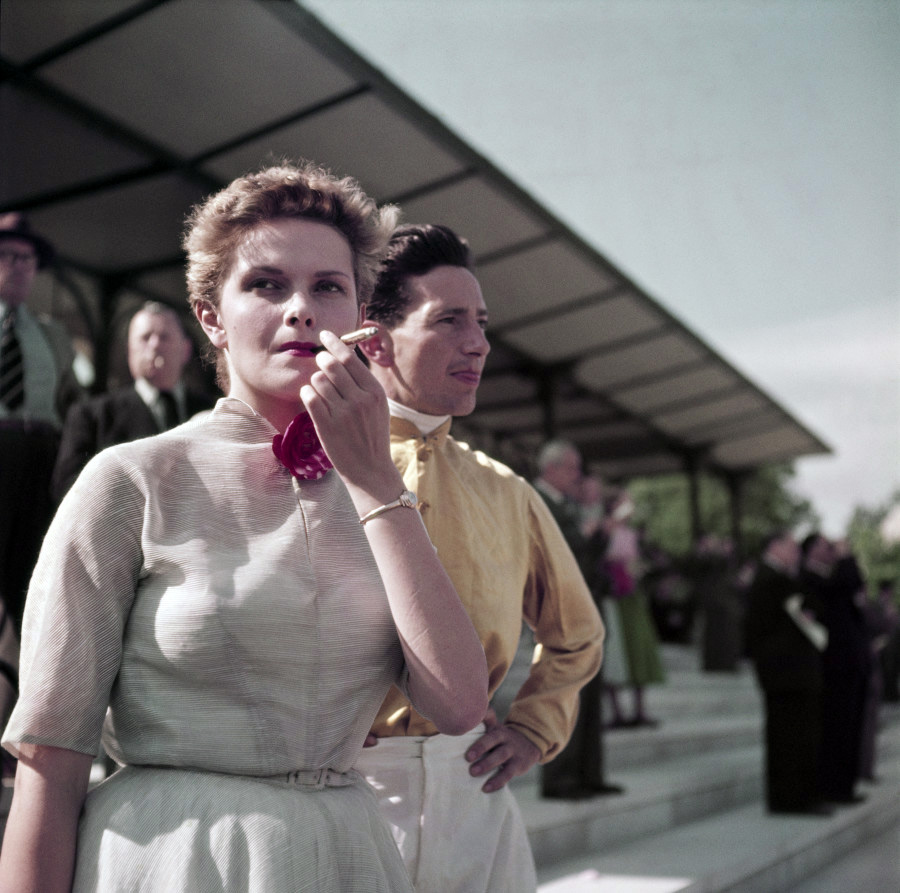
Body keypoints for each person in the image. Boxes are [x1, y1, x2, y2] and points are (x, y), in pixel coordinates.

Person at [0, 163, 489, 893]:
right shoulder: (132, 478)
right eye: (266, 284)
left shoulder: (382, 494)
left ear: (360, 316)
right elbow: (50, 763)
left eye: (328, 287)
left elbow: (458, 703)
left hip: (348, 859)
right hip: (174, 860)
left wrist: (377, 483)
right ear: (210, 316)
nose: (301, 310)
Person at [354, 223, 604, 891]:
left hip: (474, 799)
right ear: (375, 339)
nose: (479, 343)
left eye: (482, 322)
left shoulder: (507, 490)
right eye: (450, 321)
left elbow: (578, 633)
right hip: (341, 798)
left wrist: (533, 729)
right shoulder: (312, 465)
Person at [0, 213, 81, 638]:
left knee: (31, 573)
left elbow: (73, 402)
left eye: (27, 260)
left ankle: (22, 667)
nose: (18, 267)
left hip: (40, 457)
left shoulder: (53, 336)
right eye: (8, 255)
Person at [52, 300, 215, 499]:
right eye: (145, 338)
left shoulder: (213, 412)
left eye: (164, 337)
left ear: (185, 350)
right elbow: (69, 490)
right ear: (130, 351)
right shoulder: (92, 417)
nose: (155, 345)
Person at [533, 441, 622, 798]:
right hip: (559, 608)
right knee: (564, 694)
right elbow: (559, 549)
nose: (577, 476)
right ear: (551, 468)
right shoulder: (536, 498)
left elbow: (587, 556)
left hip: (585, 606)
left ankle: (589, 772)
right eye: (571, 468)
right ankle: (561, 778)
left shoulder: (568, 505)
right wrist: (588, 532)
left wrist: (602, 532)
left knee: (590, 692)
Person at [744, 530, 830, 816]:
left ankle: (798, 797)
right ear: (774, 546)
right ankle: (789, 799)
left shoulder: (780, 578)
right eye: (791, 547)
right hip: (783, 673)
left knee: (798, 736)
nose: (796, 553)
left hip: (792, 673)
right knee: (787, 739)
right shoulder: (770, 578)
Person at [800, 534, 869, 805]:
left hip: (850, 664)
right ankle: (834, 788)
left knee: (850, 728)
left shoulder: (833, 579)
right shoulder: (809, 577)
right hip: (834, 665)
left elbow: (855, 585)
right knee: (837, 728)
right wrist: (845, 556)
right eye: (825, 546)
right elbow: (846, 583)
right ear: (811, 551)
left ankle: (844, 786)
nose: (831, 551)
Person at [602, 488, 664, 728]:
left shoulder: (631, 533)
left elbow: (634, 562)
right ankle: (617, 711)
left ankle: (639, 710)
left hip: (632, 596)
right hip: (614, 597)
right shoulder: (604, 530)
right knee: (615, 652)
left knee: (639, 649)